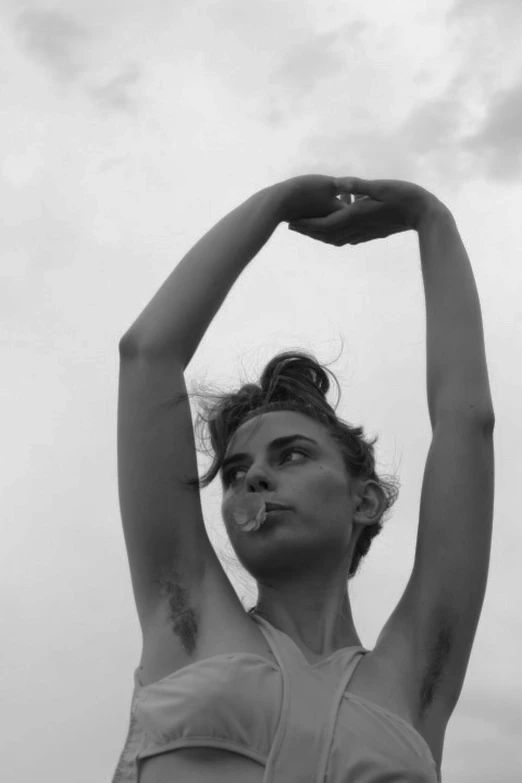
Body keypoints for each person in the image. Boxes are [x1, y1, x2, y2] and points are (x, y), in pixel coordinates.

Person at [112, 176, 495, 783]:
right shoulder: (185, 615)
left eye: (290, 456)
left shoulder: (416, 681)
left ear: (364, 499)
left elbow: (466, 424)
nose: (254, 477)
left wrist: (432, 219)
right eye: (236, 473)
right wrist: (276, 204)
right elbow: (147, 355)